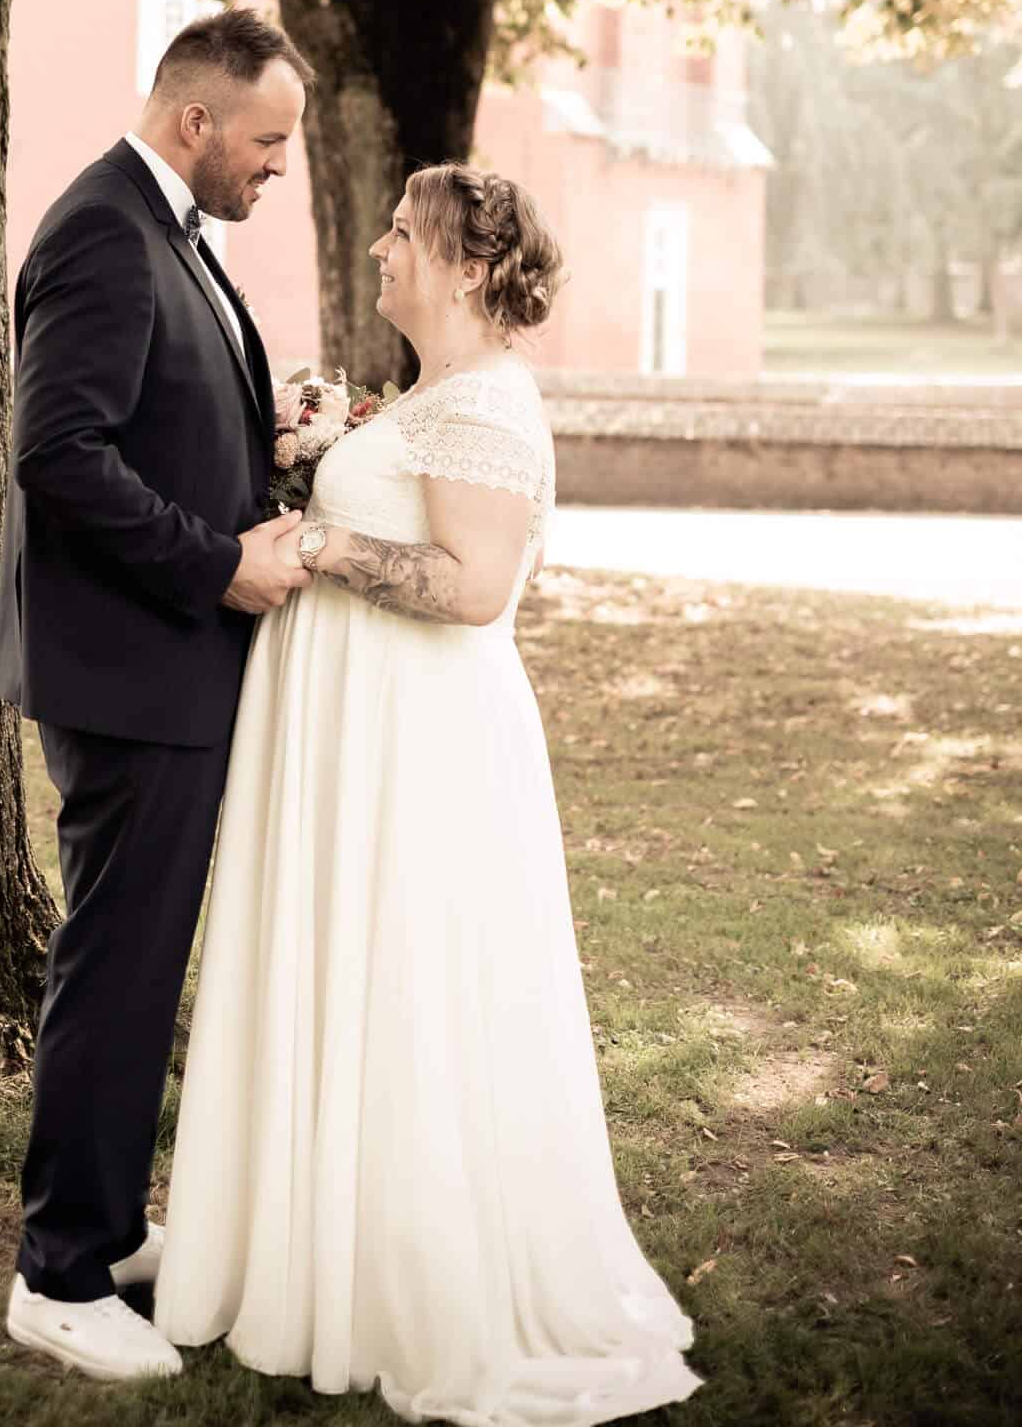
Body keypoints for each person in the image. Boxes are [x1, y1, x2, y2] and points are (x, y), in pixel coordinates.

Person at [155, 161, 704, 1425]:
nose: (381, 248)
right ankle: (305, 1244)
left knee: (406, 980)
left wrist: (323, 541)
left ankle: (405, 1274)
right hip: (355, 726)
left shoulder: (490, 407)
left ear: (466, 266)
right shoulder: (431, 394)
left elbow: (472, 588)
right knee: (342, 969)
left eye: (405, 233)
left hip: (419, 740)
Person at [0, 7, 314, 1382]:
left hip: (163, 668)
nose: (279, 166)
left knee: (136, 967)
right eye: (269, 140)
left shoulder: (165, 228)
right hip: (131, 672)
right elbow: (57, 452)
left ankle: (112, 1226)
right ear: (197, 120)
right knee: (116, 971)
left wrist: (272, 443)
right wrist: (216, 565)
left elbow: (154, 419)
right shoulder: (103, 231)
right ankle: (58, 1272)